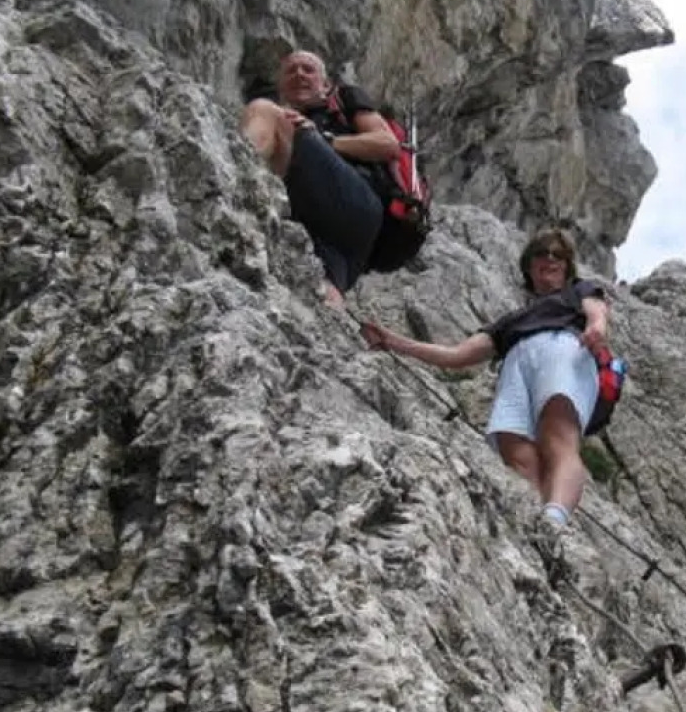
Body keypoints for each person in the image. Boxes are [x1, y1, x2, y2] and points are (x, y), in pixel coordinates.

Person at [359, 228, 611, 559]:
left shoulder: (578, 291)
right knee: (517, 453)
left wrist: (596, 328)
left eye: (557, 255)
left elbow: (597, 311)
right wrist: (394, 343)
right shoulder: (508, 322)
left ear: (567, 267)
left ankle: (553, 523)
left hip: (563, 347)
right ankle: (536, 535)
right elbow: (457, 356)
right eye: (541, 254)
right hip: (515, 362)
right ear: (528, 267)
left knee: (557, 440)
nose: (549, 259)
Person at [240, 50, 400, 306]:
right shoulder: (291, 123)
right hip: (343, 236)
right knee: (323, 294)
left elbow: (388, 143)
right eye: (291, 71)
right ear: (282, 87)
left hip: (356, 198)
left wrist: (327, 140)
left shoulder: (344, 99)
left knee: (262, 110)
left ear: (325, 86)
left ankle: (235, 173)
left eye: (308, 69)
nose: (299, 74)